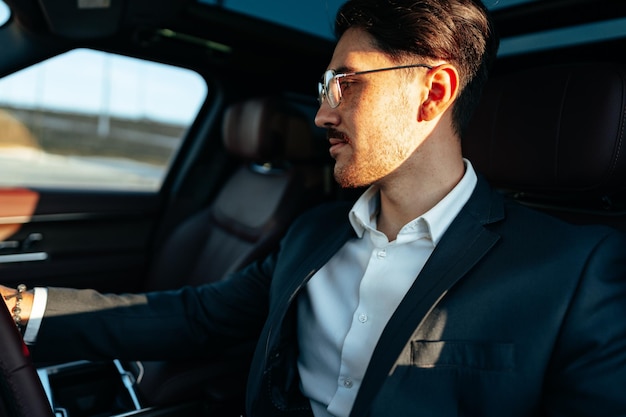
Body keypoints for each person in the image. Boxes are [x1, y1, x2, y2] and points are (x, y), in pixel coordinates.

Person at [2, 0, 626, 415]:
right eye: (323, 89)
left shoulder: (576, 270)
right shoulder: (313, 234)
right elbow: (199, 317)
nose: (323, 113)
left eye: (345, 84)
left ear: (432, 92)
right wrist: (25, 309)